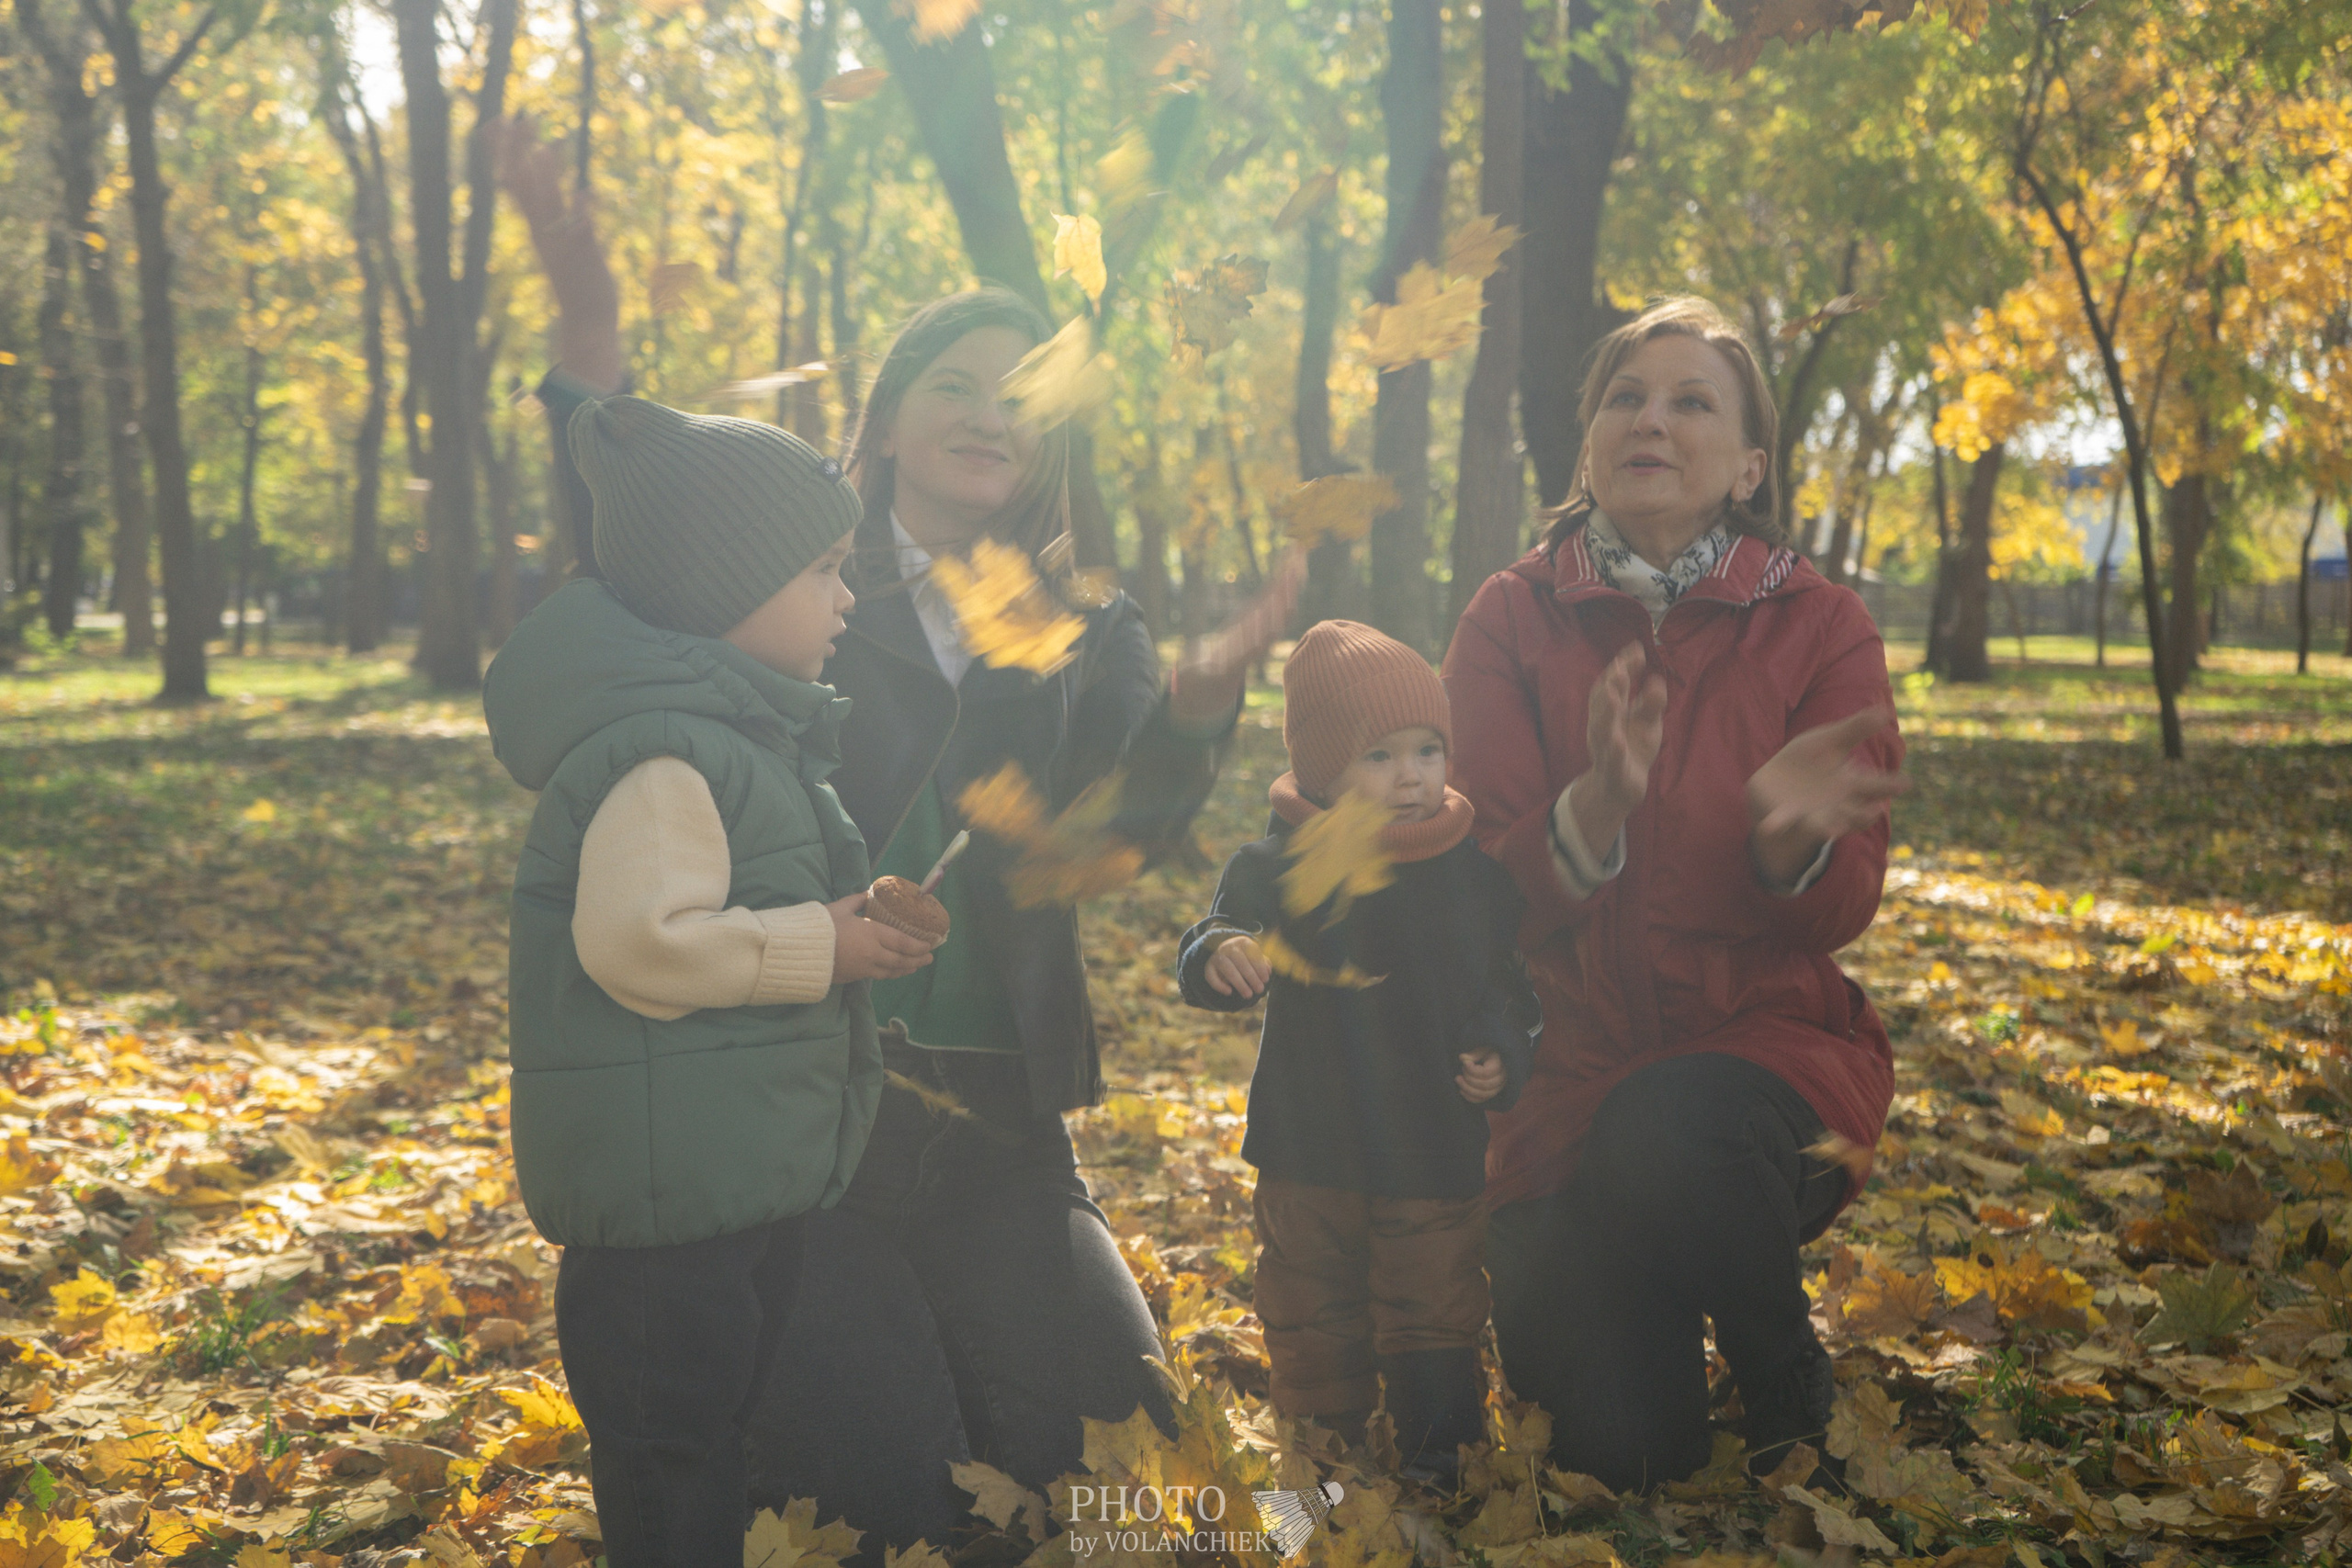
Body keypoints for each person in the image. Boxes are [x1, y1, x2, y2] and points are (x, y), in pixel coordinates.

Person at [493, 118, 1298, 1547]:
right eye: (955, 383)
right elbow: (641, 527)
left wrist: (1192, 709)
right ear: (889, 409)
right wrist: (591, 332)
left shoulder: (1086, 627)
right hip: (812, 1117)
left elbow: (1117, 844)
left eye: (1022, 395)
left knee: (1135, 1485)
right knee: (903, 1505)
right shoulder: (789, 586)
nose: (991, 412)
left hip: (1000, 1124)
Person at [1441, 296, 1908, 1492]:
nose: (1651, 416)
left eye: (1692, 398)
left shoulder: (1820, 623)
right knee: (1624, 1450)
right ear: (1590, 436)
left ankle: (1781, 1375)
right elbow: (1472, 901)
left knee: (1673, 1128)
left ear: (1750, 463)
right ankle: (1657, 1292)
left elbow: (1845, 895)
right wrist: (1590, 809)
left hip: (1764, 1067)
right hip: (1561, 1082)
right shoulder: (1508, 617)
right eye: (1625, 396)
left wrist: (1786, 846)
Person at [483, 396, 932, 1566]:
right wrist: (817, 949)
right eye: (825, 571)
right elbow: (641, 944)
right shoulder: (665, 754)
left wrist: (851, 936)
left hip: (713, 1181)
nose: (847, 598)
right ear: (722, 588)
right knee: (669, 1447)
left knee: (716, 1429)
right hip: (659, 1211)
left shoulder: (736, 738)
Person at [1174, 620, 1538, 1491]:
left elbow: (1514, 994)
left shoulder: (1474, 878)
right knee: (1309, 1305)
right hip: (1310, 1145)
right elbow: (1213, 930)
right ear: (1323, 770)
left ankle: (1435, 1460)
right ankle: (1321, 1462)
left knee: (1434, 1298)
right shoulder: (1278, 863)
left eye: (1426, 749)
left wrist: (1499, 1049)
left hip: (1430, 1141)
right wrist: (1217, 952)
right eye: (1379, 756)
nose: (1411, 774)